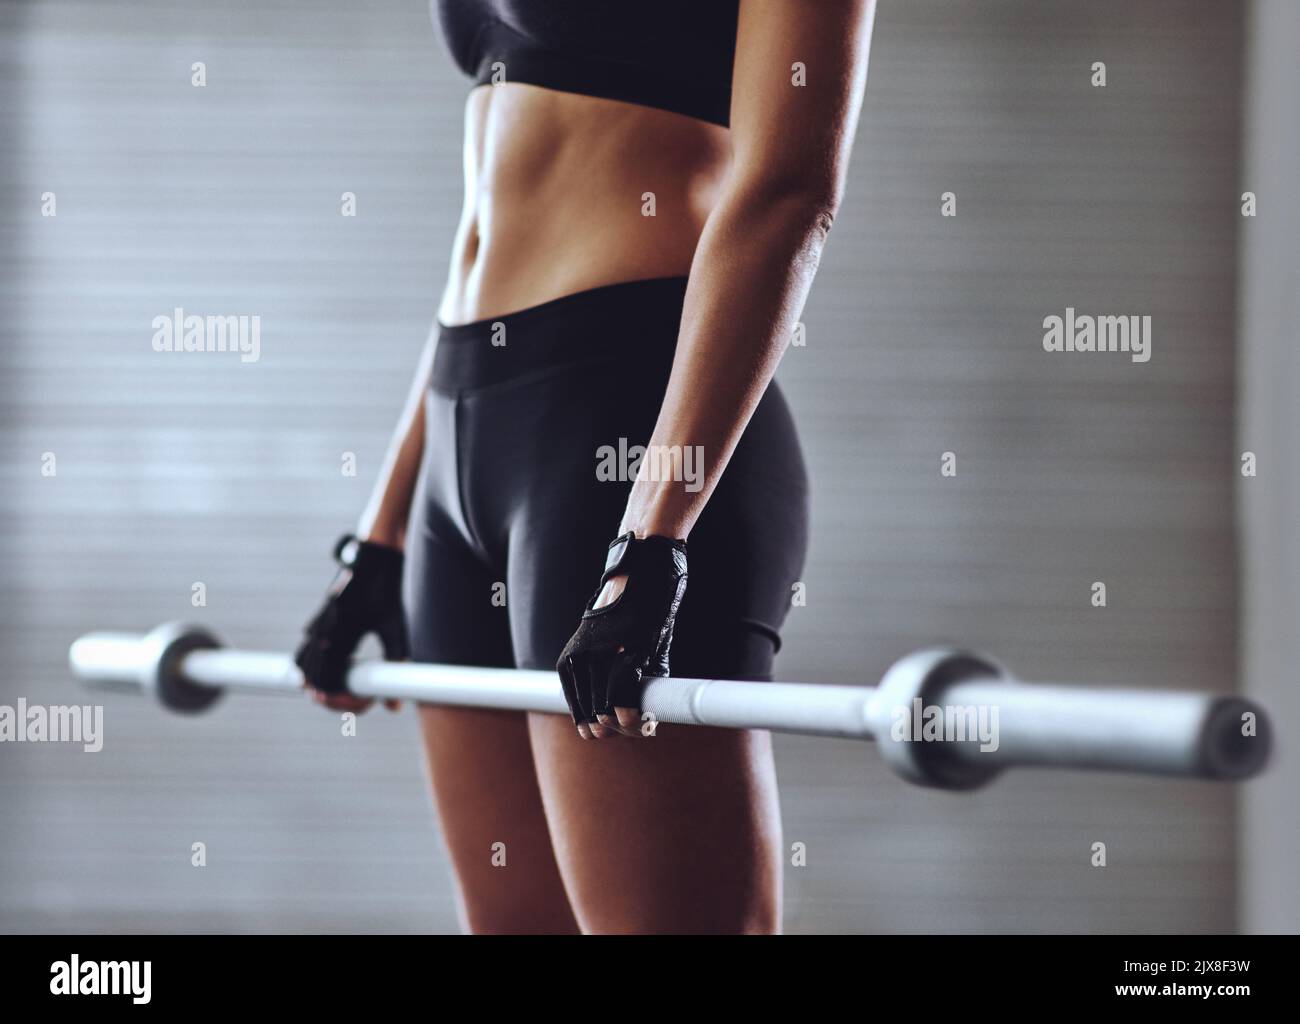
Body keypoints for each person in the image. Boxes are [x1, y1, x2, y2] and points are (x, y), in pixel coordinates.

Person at [295, 0, 876, 934]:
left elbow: (788, 190)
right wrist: (383, 533)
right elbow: (484, 221)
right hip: (464, 426)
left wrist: (654, 535)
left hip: (629, 439)